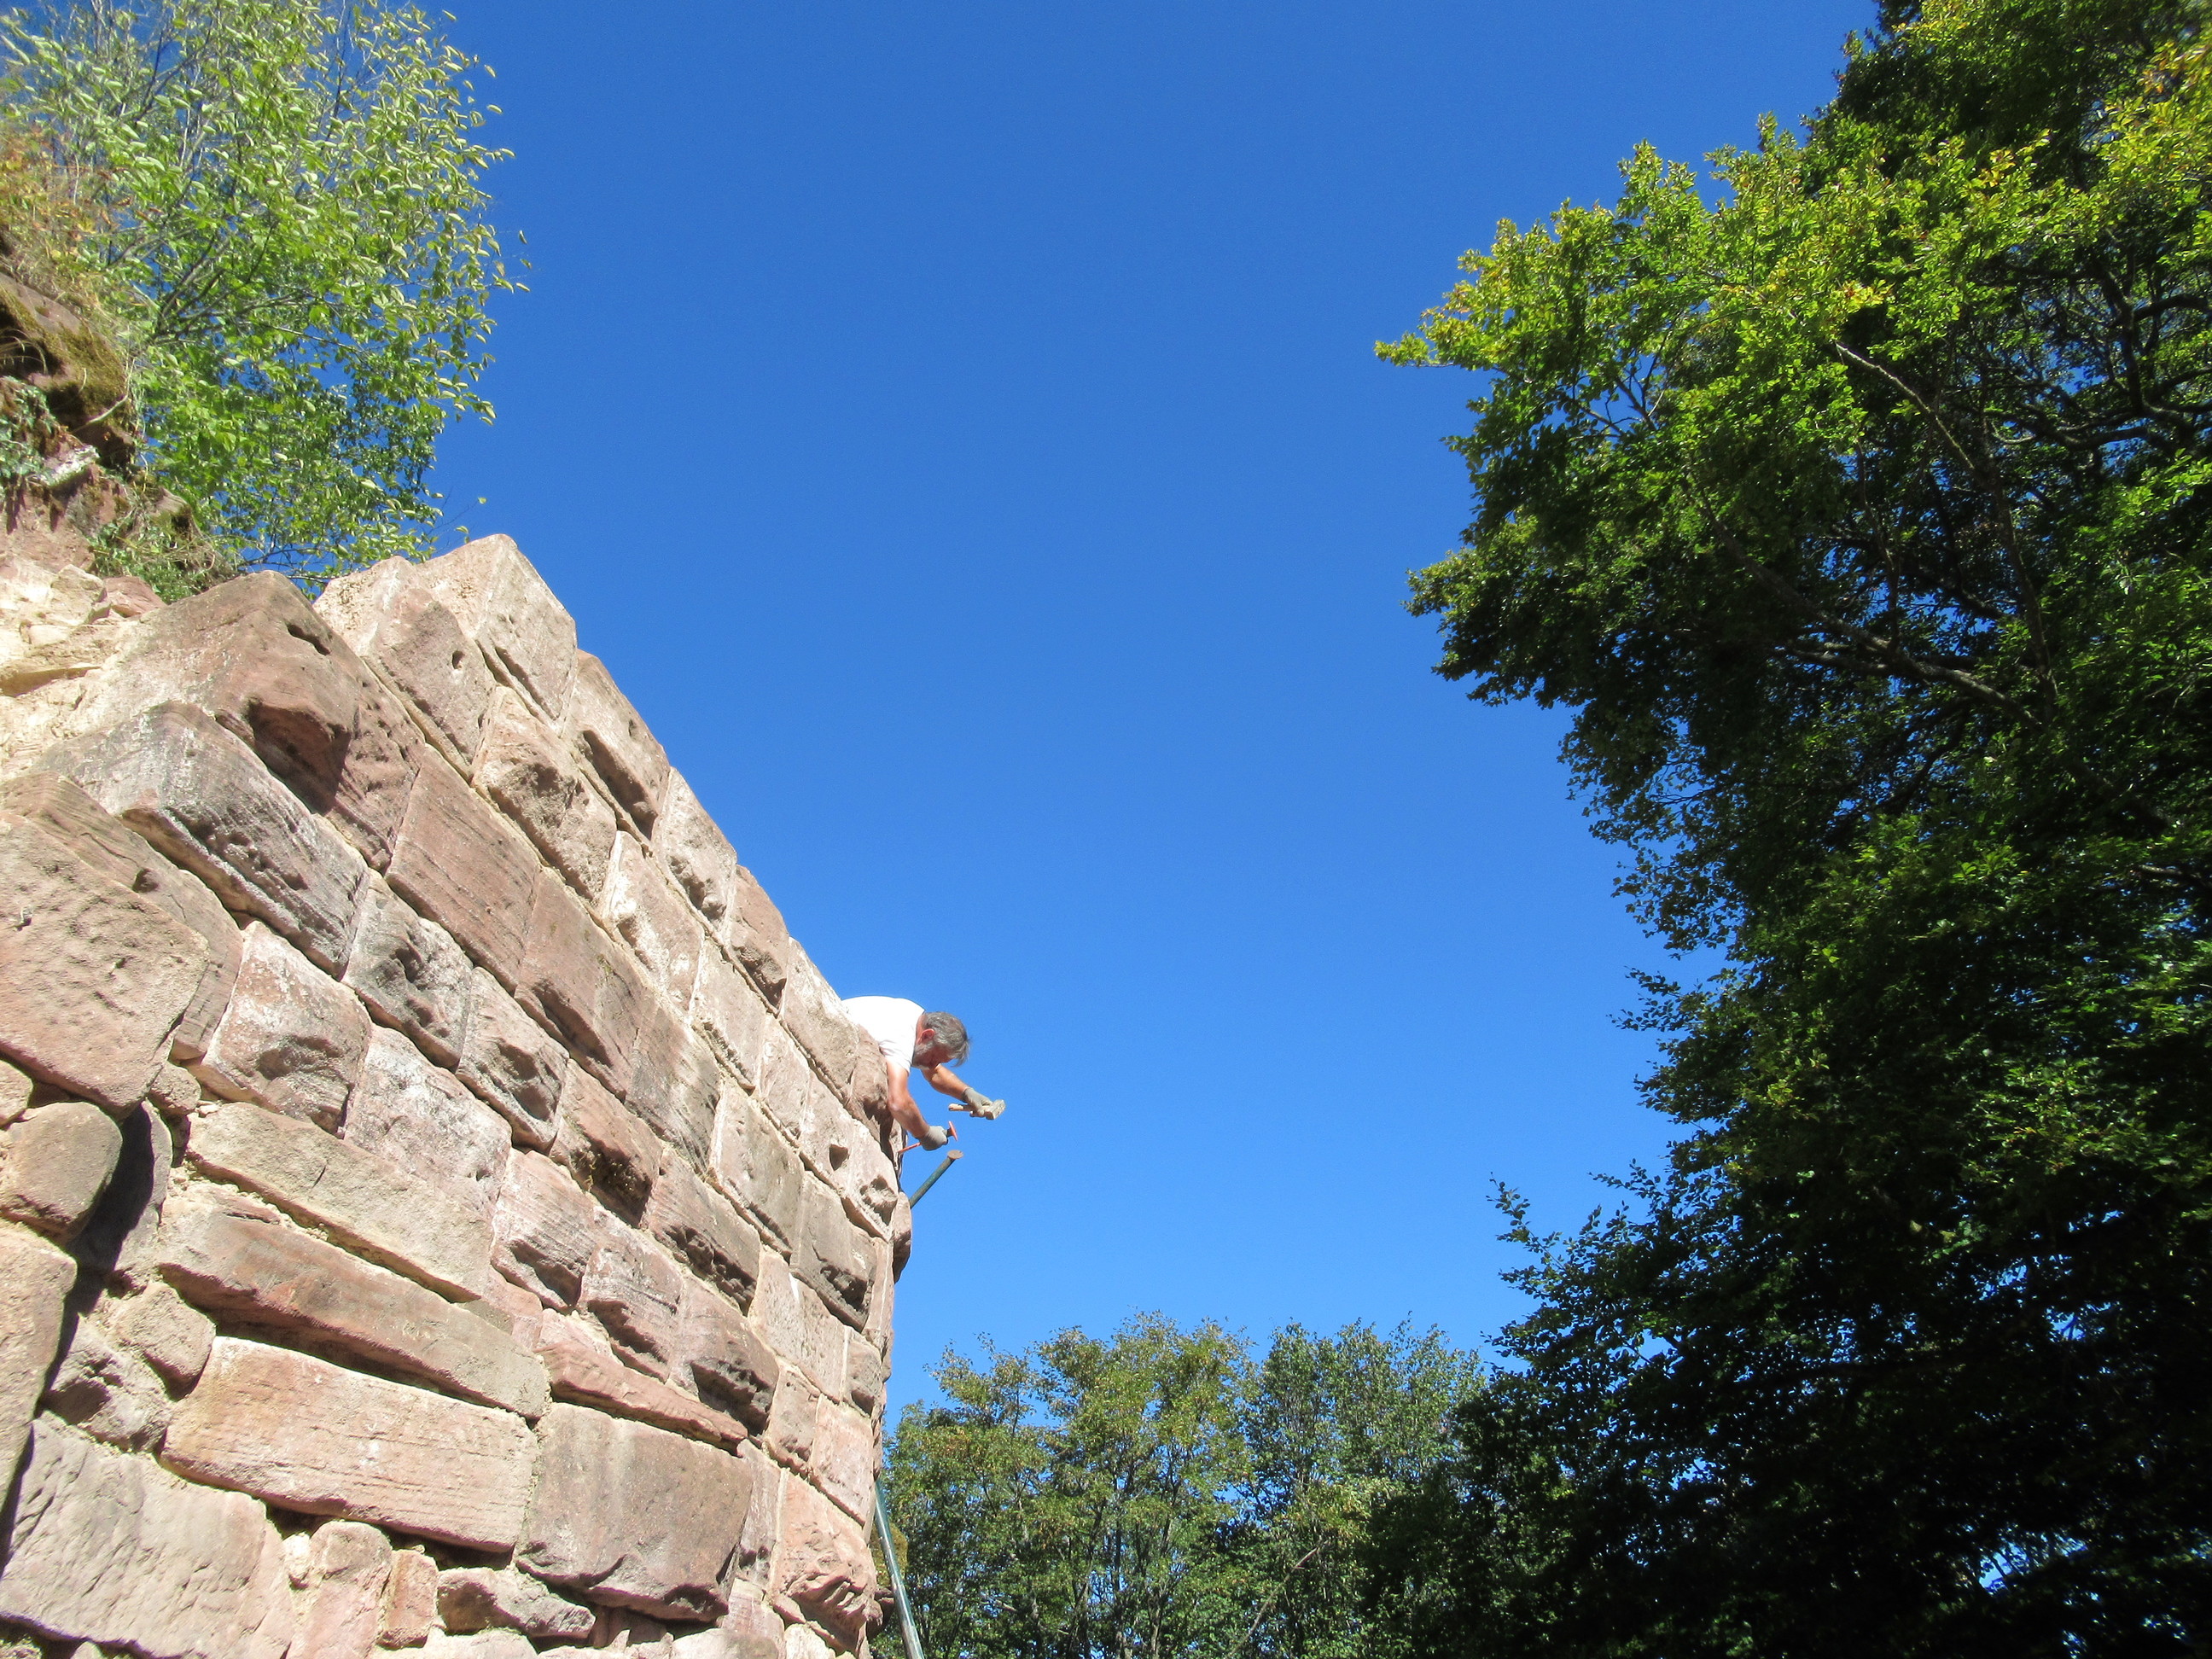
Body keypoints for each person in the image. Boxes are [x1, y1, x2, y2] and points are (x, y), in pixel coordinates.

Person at [841, 995, 1003, 1150]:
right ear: (927, 1035)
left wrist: (966, 1093)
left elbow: (935, 1073)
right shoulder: (901, 1037)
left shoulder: (912, 1014)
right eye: (933, 1058)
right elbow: (898, 1102)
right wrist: (926, 1133)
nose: (932, 1065)